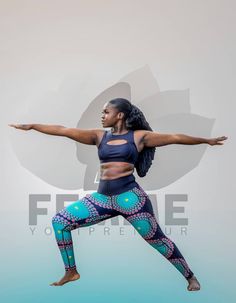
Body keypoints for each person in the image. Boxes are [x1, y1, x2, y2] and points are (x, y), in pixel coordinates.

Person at [9, 98, 228, 290]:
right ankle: (71, 272)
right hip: (102, 199)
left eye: (106, 112)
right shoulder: (98, 136)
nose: (102, 115)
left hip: (131, 200)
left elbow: (175, 137)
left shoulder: (140, 137)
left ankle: (190, 277)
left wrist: (206, 141)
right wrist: (32, 126)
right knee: (59, 222)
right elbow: (63, 130)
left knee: (158, 240)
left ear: (120, 115)